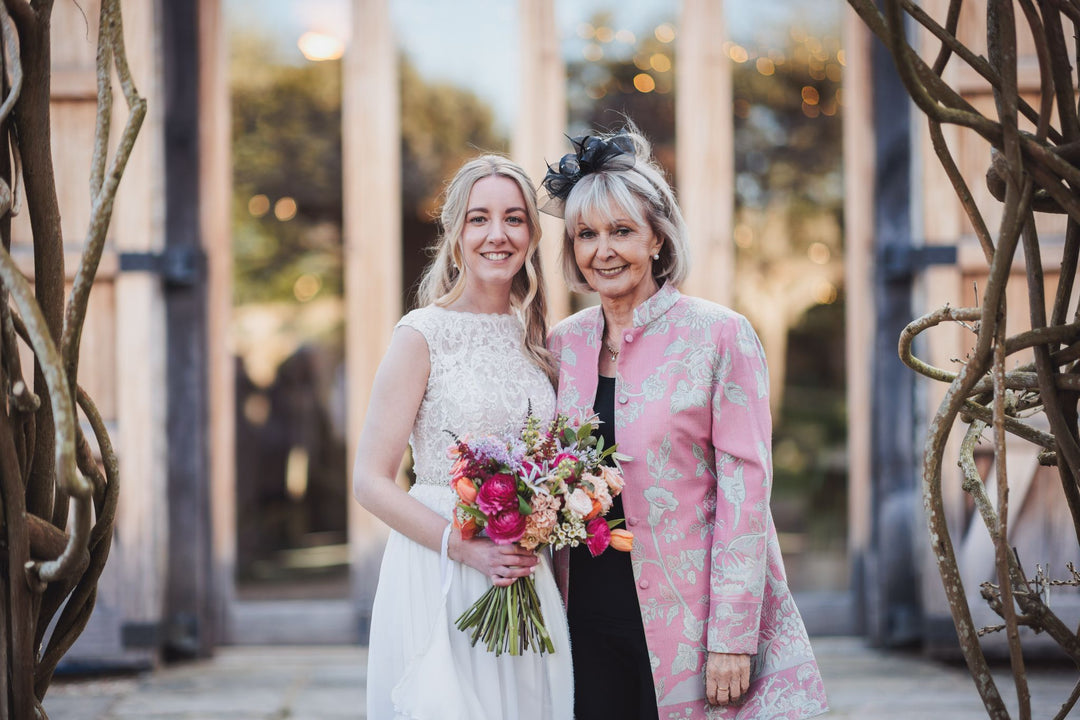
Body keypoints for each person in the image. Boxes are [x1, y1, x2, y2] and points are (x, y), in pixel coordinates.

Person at [544, 127, 828, 720]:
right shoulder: (561, 346)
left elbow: (746, 495)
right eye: (586, 235)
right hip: (581, 617)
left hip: (689, 623)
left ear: (657, 239)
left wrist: (732, 635)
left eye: (621, 231)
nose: (603, 250)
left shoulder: (720, 335)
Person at [353, 155, 573, 720]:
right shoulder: (421, 335)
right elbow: (371, 482)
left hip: (521, 567)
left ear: (531, 234)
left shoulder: (541, 343)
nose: (497, 235)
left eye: (514, 219)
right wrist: (463, 546)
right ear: (455, 235)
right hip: (441, 564)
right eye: (479, 219)